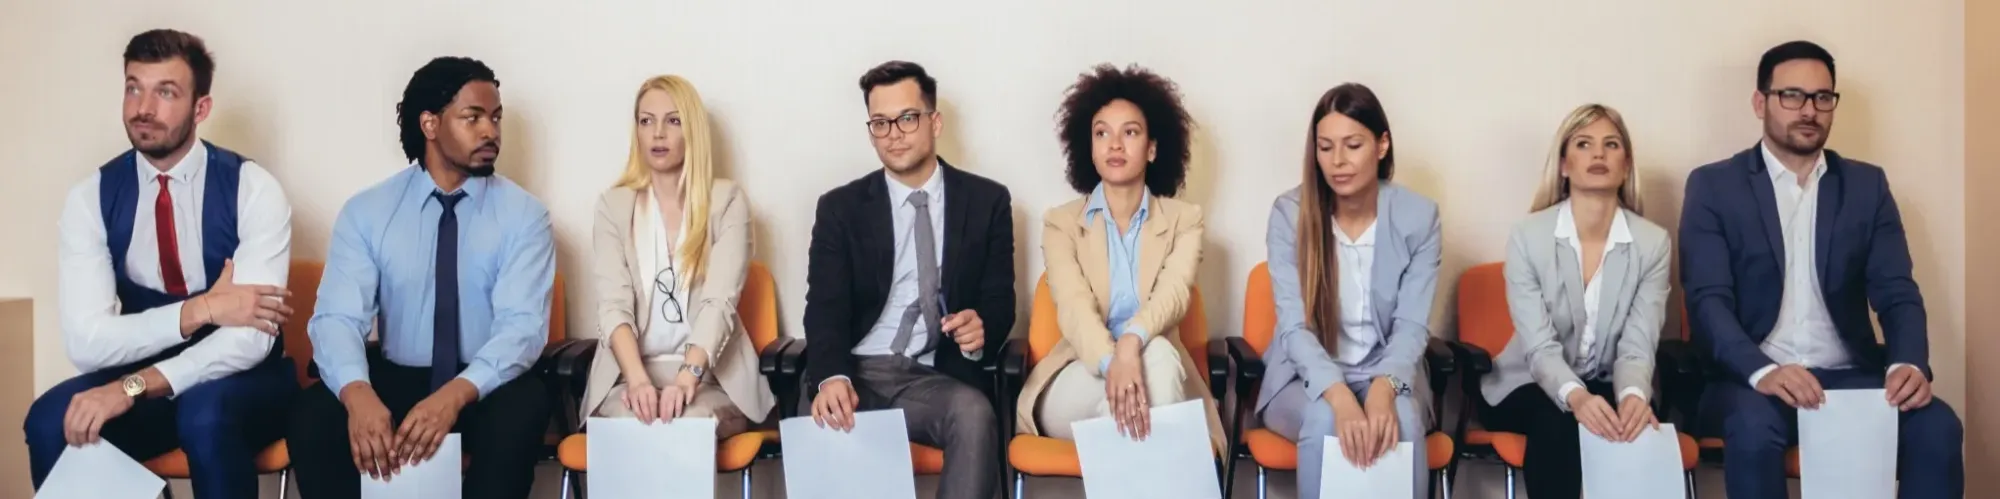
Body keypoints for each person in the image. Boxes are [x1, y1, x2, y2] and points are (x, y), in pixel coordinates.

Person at [25, 29, 298, 499]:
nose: (142, 107)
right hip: (146, 372)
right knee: (51, 420)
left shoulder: (253, 189)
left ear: (201, 108)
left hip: (244, 380)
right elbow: (88, 343)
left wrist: (131, 386)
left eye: (165, 92)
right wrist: (203, 309)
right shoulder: (91, 198)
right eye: (133, 87)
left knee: (204, 415)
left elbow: (250, 340)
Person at [1682, 40, 1963, 498]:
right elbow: (1707, 300)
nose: (1808, 110)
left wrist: (1907, 362)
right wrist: (1763, 371)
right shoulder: (1715, 185)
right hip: (1750, 381)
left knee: (1937, 425)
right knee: (1753, 429)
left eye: (1822, 97)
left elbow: (1896, 291)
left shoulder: (1867, 186)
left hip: (1851, 376)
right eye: (1791, 95)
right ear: (1760, 102)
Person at [287, 56, 555, 499]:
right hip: (398, 376)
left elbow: (522, 329)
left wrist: (454, 395)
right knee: (313, 415)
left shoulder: (525, 216)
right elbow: (336, 318)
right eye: (473, 118)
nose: (491, 131)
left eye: (496, 117)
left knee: (523, 409)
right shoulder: (368, 212)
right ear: (429, 124)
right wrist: (357, 395)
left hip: (481, 384)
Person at [803, 60, 1015, 498]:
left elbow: (999, 299)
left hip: (932, 374)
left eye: (907, 118)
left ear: (934, 122)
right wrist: (831, 377)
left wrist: (983, 326)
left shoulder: (987, 201)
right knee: (823, 414)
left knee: (974, 415)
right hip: (857, 370)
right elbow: (824, 309)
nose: (894, 133)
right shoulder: (840, 208)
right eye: (881, 123)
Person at [1014, 63, 1223, 452]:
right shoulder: (1061, 224)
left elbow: (1173, 296)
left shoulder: (1185, 221)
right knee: (1155, 409)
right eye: (1101, 133)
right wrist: (1115, 363)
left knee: (1153, 361)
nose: (1114, 144)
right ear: (1088, 147)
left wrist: (1130, 344)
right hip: (1078, 373)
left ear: (1153, 148)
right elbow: (1074, 309)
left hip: (1157, 373)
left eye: (1130, 132)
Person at [1478, 104, 1671, 499]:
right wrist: (1577, 396)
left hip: (1608, 383)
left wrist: (1633, 397)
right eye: (1584, 144)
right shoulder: (1528, 237)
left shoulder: (1652, 244)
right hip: (1525, 384)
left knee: (1638, 422)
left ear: (1626, 163)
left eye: (1611, 145)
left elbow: (1638, 345)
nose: (1598, 154)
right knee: (1559, 421)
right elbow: (1539, 347)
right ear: (1564, 164)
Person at [1256, 83, 1439, 499]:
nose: (1337, 161)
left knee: (1403, 422)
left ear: (1382, 145)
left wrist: (1383, 388)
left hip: (1388, 372)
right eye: (1325, 147)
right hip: (1303, 379)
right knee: (1324, 420)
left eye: (1353, 145)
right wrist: (1339, 396)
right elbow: (1294, 325)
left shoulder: (1419, 217)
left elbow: (1412, 325)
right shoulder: (1290, 214)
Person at [579, 75, 775, 437]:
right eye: (646, 120)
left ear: (693, 130)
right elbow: (613, 305)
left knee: (685, 426)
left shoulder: (726, 201)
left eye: (673, 120)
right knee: (630, 424)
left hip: (711, 379)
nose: (657, 133)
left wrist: (689, 376)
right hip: (629, 375)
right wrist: (638, 382)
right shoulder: (613, 206)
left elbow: (720, 301)